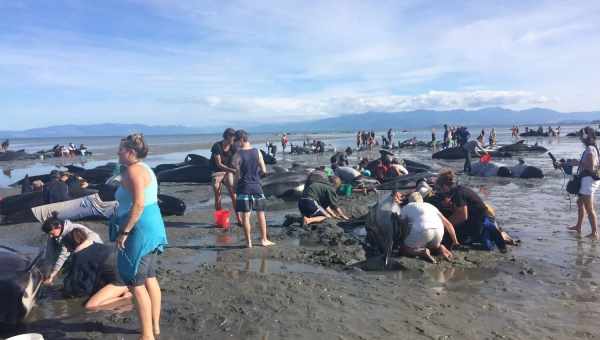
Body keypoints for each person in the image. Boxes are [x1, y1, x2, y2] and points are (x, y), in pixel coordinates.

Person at [114, 133, 168, 339]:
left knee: (135, 282)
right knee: (149, 277)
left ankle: (147, 336)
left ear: (130, 152)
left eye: (120, 149)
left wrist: (124, 231)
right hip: (152, 225)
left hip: (140, 229)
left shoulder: (134, 171)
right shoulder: (144, 168)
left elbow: (138, 204)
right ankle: (153, 327)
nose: (117, 152)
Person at [434, 169, 506, 250]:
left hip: (479, 223)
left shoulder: (459, 194)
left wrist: (445, 226)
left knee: (449, 239)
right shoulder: (460, 189)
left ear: (445, 186)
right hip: (481, 218)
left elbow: (462, 216)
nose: (441, 192)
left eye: (440, 188)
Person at [61, 228, 131, 310]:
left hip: (121, 282)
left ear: (71, 245)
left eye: (67, 247)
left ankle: (125, 297)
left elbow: (83, 286)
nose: (68, 250)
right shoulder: (95, 245)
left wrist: (67, 290)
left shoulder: (80, 257)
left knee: (91, 306)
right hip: (129, 274)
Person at [232, 130, 275, 248]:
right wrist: (256, 177)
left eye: (236, 140)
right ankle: (264, 239)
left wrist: (234, 186)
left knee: (246, 216)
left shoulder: (237, 155)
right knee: (261, 214)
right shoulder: (257, 152)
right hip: (256, 186)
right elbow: (264, 171)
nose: (235, 143)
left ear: (241, 140)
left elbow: (237, 174)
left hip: (244, 187)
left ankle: (248, 242)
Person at [41, 211, 103, 285]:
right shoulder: (53, 233)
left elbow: (63, 255)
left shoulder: (70, 231)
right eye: (49, 234)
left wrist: (53, 274)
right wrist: (47, 273)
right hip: (77, 252)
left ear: (59, 227)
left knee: (76, 274)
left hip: (93, 249)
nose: (50, 236)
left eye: (51, 233)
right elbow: (49, 253)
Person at [399, 192, 457, 263]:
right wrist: (455, 241)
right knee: (431, 246)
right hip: (438, 233)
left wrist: (403, 239)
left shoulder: (408, 206)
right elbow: (448, 224)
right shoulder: (431, 206)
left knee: (404, 249)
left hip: (423, 231)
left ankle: (421, 252)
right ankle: (440, 248)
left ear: (410, 200)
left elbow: (400, 224)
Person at [568, 126, 600, 239]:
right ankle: (578, 226)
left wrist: (578, 163)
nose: (580, 138)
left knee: (589, 208)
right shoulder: (592, 148)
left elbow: (590, 167)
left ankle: (595, 233)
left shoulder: (590, 149)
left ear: (587, 136)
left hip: (588, 181)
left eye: (582, 136)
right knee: (579, 203)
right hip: (587, 180)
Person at [209, 128, 240, 223]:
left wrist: (237, 169)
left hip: (228, 172)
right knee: (217, 194)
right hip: (217, 172)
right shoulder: (217, 146)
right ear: (227, 137)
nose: (234, 141)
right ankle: (220, 220)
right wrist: (233, 170)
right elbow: (219, 164)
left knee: (233, 194)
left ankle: (239, 218)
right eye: (233, 138)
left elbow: (236, 161)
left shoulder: (233, 147)